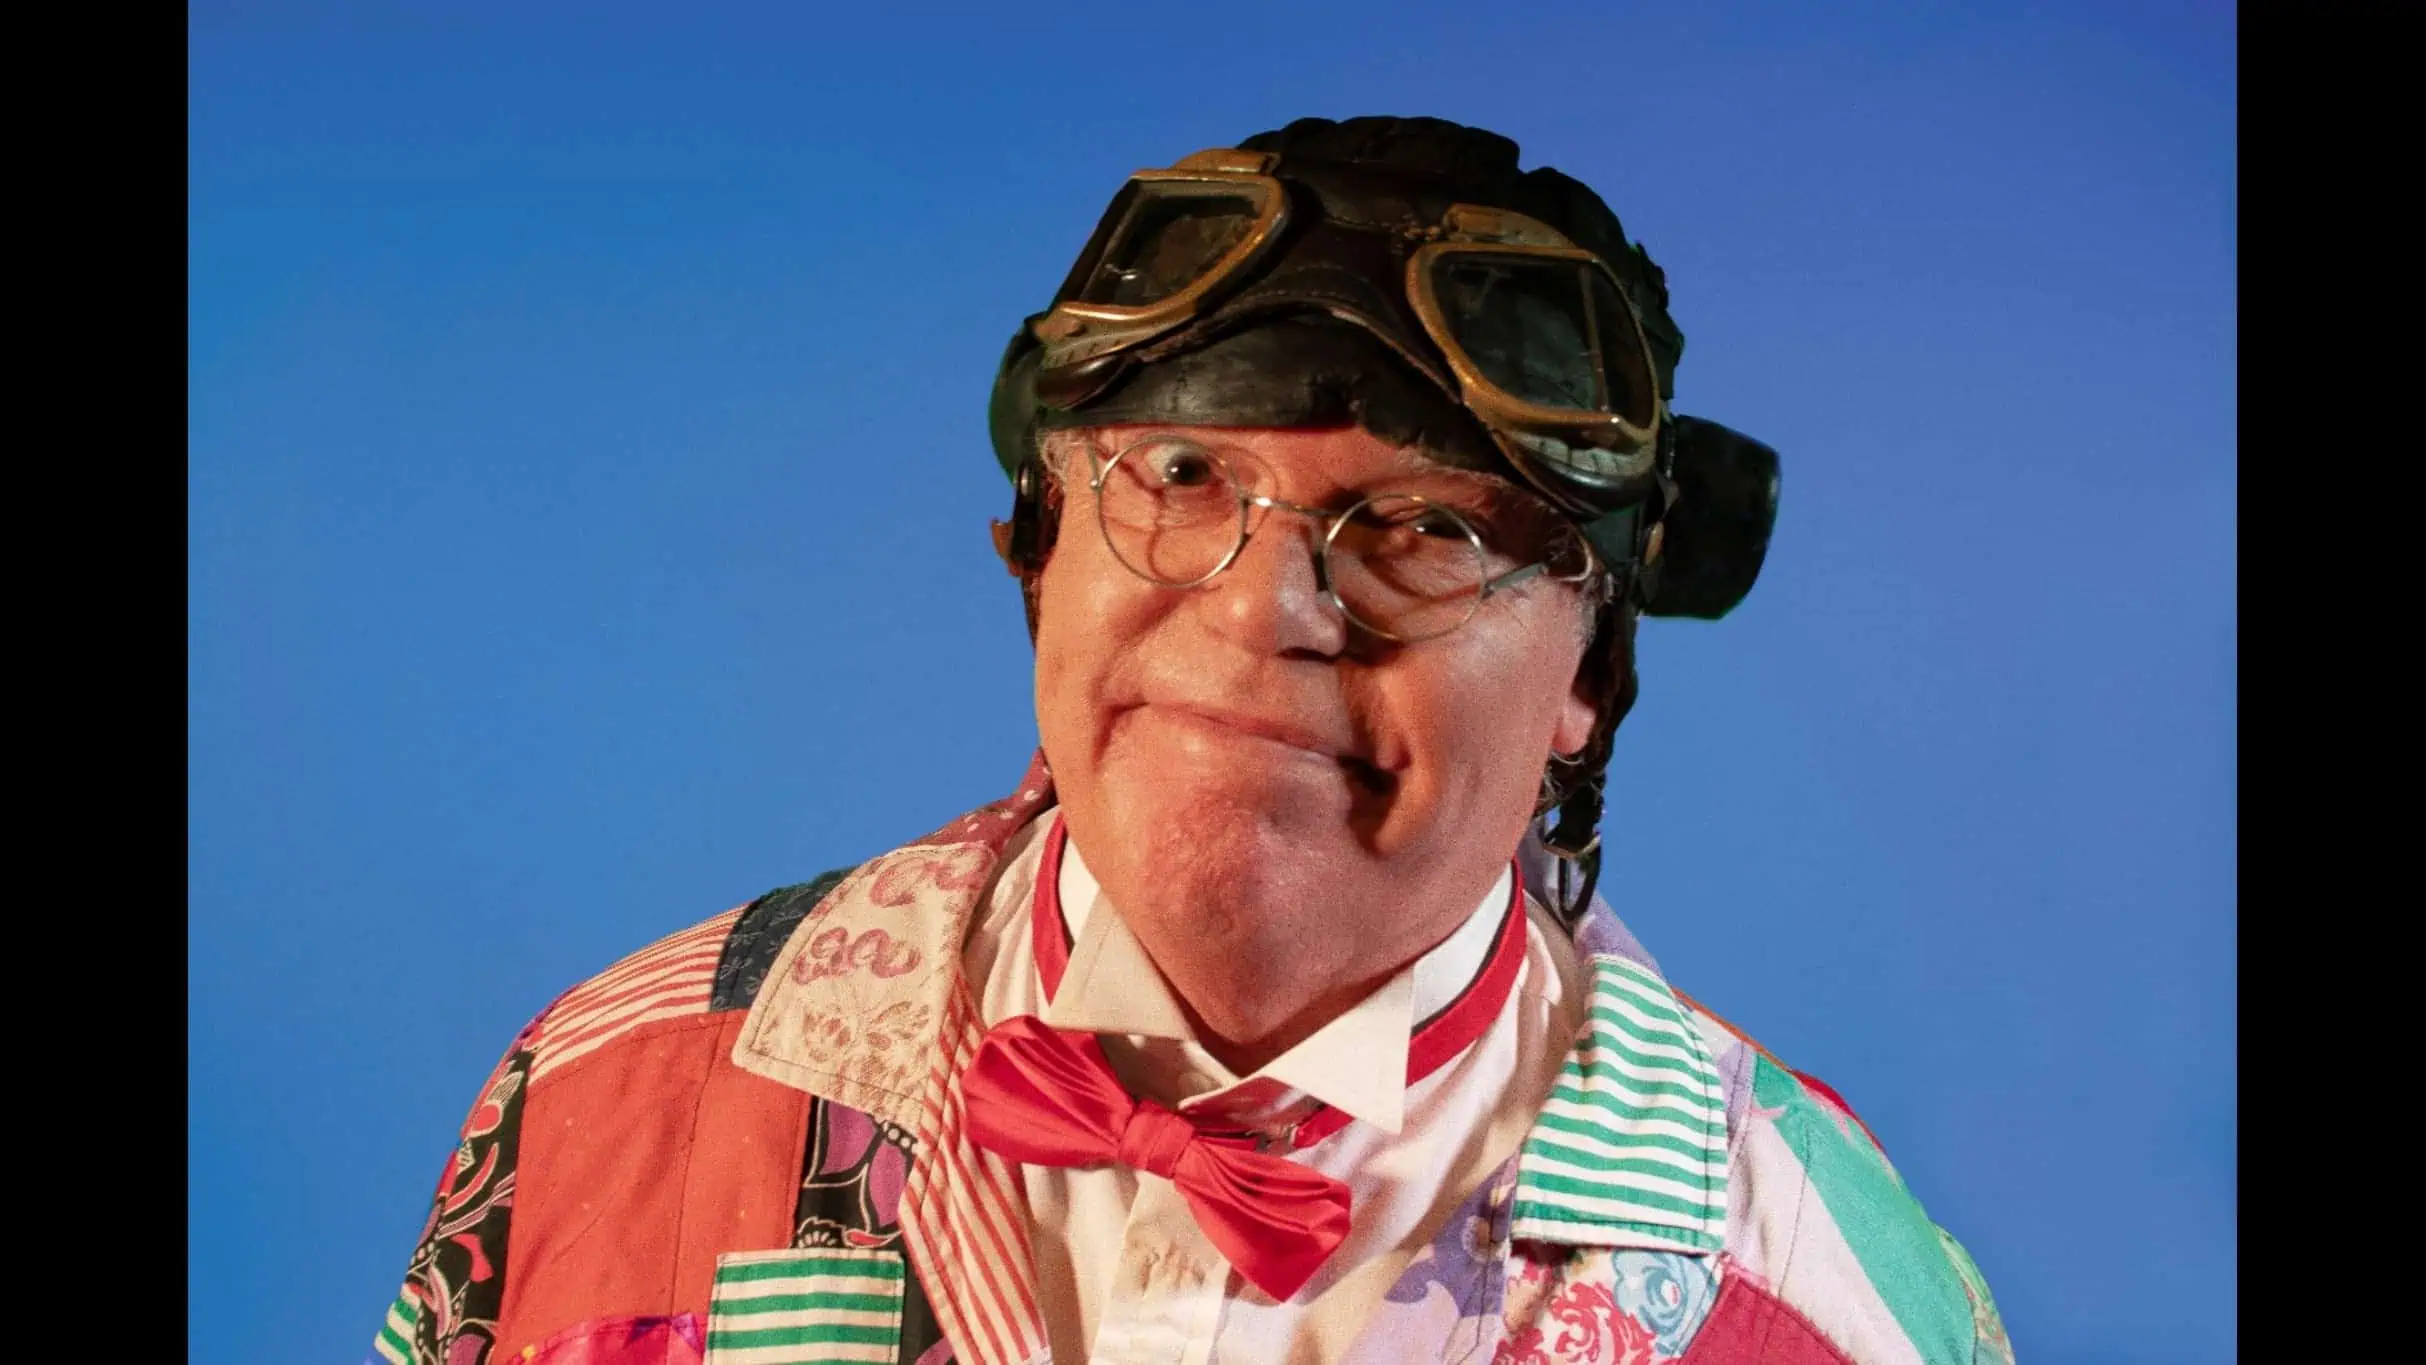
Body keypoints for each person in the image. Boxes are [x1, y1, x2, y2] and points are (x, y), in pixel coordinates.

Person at [369, 115, 2013, 1365]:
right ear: (1038, 547)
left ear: (1585, 671)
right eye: (1177, 477)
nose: (1256, 611)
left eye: (1428, 528)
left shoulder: (1815, 1292)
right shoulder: (609, 1093)